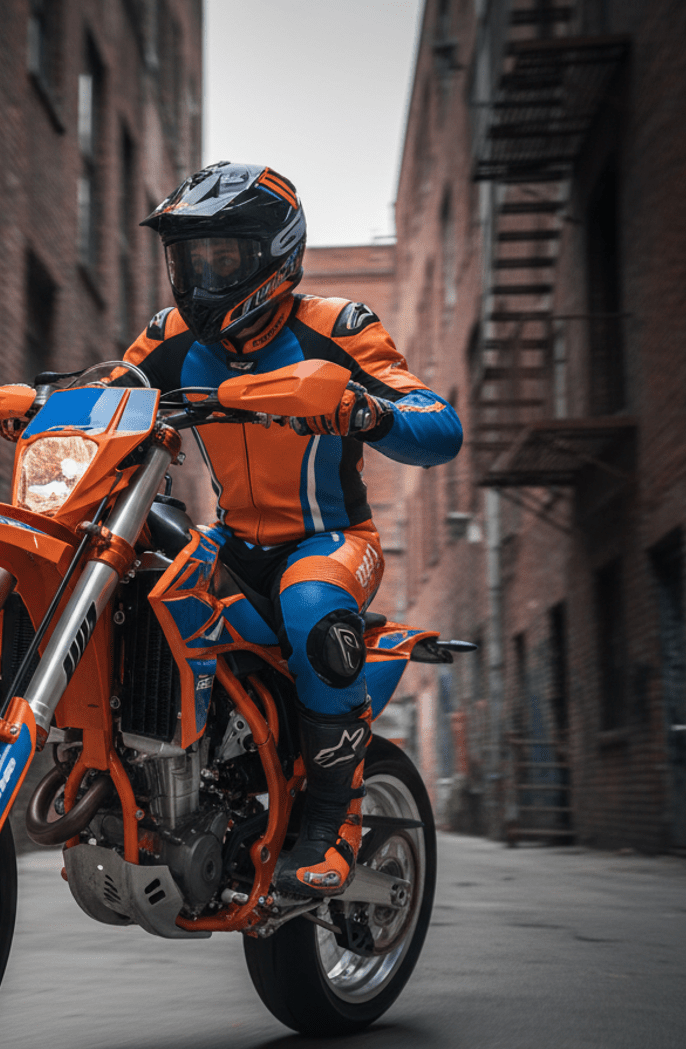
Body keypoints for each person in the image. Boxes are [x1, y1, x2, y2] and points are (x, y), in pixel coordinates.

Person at [121, 162, 462, 899]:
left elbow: (440, 426)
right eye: (190, 260)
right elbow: (106, 394)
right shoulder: (171, 339)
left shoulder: (338, 328)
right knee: (137, 581)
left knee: (310, 606)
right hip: (233, 543)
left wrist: (368, 413)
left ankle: (331, 825)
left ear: (275, 254)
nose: (203, 277)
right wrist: (38, 400)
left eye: (222, 258)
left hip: (333, 540)